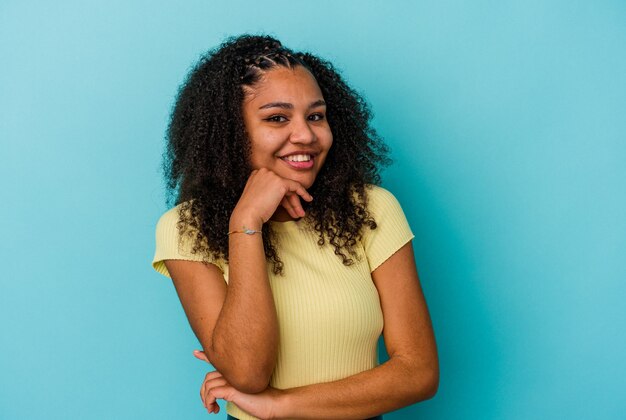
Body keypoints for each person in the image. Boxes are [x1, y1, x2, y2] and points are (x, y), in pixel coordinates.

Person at [152, 34, 438, 420]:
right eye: (277, 118)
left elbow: (418, 373)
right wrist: (246, 222)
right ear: (229, 134)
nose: (305, 135)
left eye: (316, 116)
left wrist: (279, 406)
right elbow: (248, 372)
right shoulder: (186, 229)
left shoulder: (371, 209)